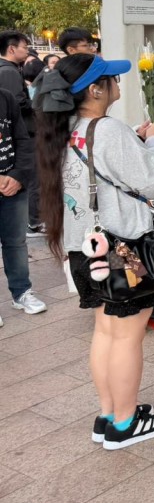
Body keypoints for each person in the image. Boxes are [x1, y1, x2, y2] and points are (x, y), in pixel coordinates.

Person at [33, 54, 154, 449]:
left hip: (84, 251)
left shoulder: (65, 129)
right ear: (95, 89)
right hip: (121, 250)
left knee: (106, 331)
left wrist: (134, 138)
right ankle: (126, 425)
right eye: (111, 78)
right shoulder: (108, 130)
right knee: (128, 336)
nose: (118, 82)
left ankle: (109, 413)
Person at [0, 86, 45, 325]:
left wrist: (17, 175)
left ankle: (21, 292)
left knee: (16, 242)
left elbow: (22, 140)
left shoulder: (6, 97)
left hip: (13, 186)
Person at [0, 31, 43, 234]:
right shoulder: (8, 72)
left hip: (18, 135)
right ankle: (34, 220)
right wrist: (36, 104)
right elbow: (17, 104)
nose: (27, 51)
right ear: (11, 49)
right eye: (24, 47)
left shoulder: (9, 70)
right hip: (22, 134)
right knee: (32, 176)